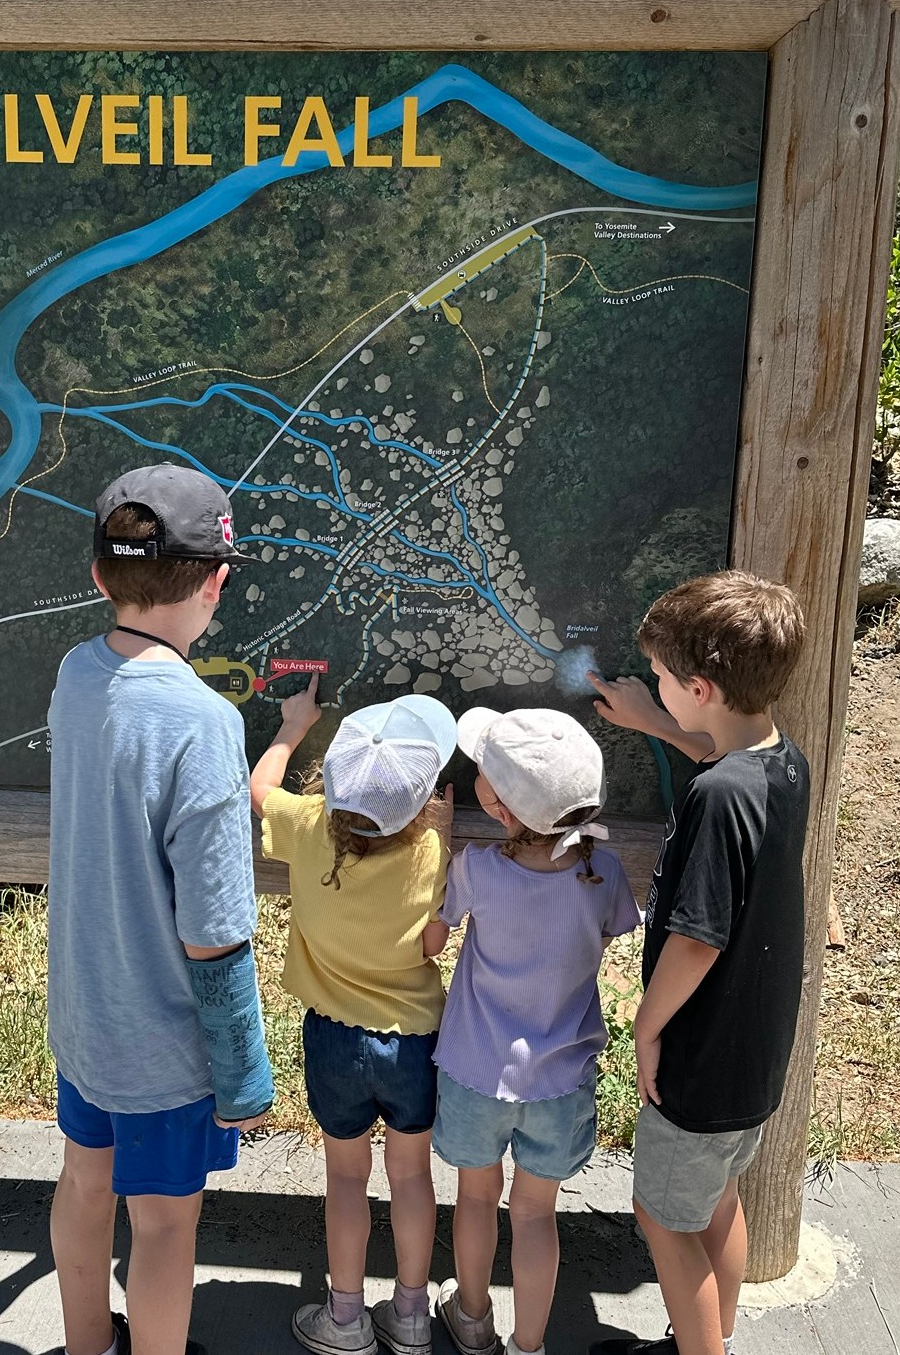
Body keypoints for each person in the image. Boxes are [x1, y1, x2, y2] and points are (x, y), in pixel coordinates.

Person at [46, 463, 275, 1355]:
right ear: (215, 581)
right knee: (166, 1225)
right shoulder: (205, 723)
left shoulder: (76, 672)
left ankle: (86, 1342)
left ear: (99, 576)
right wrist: (244, 1073)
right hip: (164, 1043)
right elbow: (214, 930)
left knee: (84, 1182)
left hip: (85, 1013)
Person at [586, 570, 809, 1355]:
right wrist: (657, 722)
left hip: (701, 1055)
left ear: (701, 688)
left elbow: (696, 939)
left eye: (660, 677)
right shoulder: (781, 762)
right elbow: (719, 755)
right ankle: (712, 1338)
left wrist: (647, 1029)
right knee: (718, 1200)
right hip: (754, 1053)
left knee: (662, 1217)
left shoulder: (716, 800)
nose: (654, 685)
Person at [251, 679, 457, 1355]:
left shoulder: (309, 826)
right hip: (414, 1038)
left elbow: (259, 791)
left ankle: (345, 1319)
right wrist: (444, 827)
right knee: (411, 1177)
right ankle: (411, 1312)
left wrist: (292, 726)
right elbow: (434, 942)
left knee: (345, 1177)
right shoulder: (430, 850)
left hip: (334, 1036)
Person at [430, 708, 641, 1355]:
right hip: (559, 1081)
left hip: (475, 1070)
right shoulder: (605, 874)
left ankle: (471, 1318)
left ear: (500, 808)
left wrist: (437, 842)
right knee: (535, 1214)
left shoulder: (477, 868)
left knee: (475, 1200)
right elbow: (613, 930)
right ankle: (529, 1345)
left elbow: (436, 932)